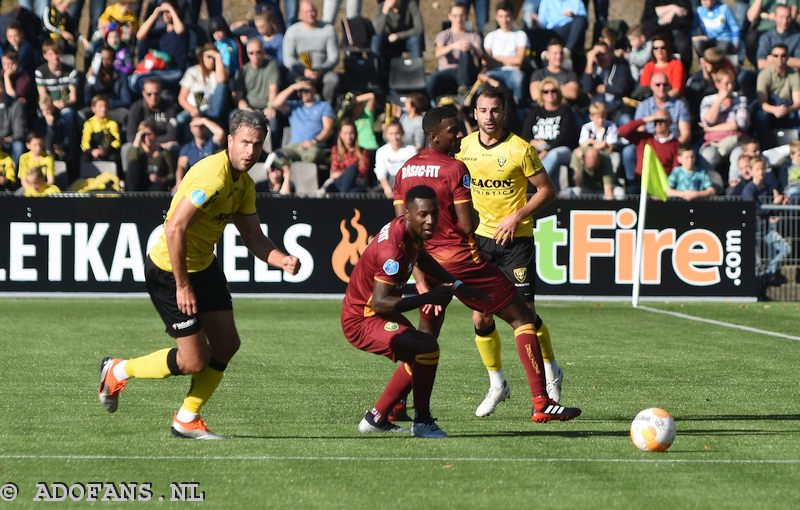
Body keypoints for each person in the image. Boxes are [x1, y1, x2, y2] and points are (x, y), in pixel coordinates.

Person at [98, 110, 301, 439]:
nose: (250, 151)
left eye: (257, 145)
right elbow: (175, 227)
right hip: (169, 269)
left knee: (227, 343)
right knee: (193, 360)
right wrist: (182, 285)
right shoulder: (213, 176)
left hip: (204, 266)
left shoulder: (244, 184)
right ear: (230, 141)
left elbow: (253, 237)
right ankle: (117, 370)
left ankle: (187, 418)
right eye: (245, 143)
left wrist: (281, 259)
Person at [393, 107, 582, 422]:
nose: (459, 134)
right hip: (462, 259)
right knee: (522, 317)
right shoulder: (455, 168)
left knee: (425, 338)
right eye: (453, 130)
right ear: (433, 135)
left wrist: (420, 277)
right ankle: (541, 402)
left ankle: (396, 404)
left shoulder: (405, 170)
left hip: (427, 263)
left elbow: (402, 228)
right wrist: (477, 218)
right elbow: (468, 225)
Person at [455, 86, 567, 413]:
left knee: (525, 315)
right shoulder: (464, 149)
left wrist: (516, 216)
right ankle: (497, 383)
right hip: (481, 241)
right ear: (474, 113)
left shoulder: (521, 150)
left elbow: (547, 190)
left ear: (503, 113)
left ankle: (551, 371)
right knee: (480, 316)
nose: (489, 117)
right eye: (483, 111)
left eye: (495, 110)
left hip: (516, 241)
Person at [342, 184, 482, 438]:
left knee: (420, 350)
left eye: (434, 213)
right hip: (362, 319)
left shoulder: (409, 231)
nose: (430, 221)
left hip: (376, 313)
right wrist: (428, 296)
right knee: (426, 347)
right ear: (407, 213)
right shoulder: (392, 252)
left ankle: (375, 419)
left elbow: (423, 258)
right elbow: (381, 303)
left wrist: (456, 284)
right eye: (423, 215)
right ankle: (423, 421)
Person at [742, 156, 792, 294]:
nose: (761, 172)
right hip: (751, 230)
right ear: (751, 171)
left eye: (763, 168)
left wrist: (783, 202)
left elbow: (773, 208)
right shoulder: (749, 189)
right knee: (756, 263)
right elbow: (755, 209)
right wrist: (773, 206)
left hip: (765, 229)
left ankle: (769, 274)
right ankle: (758, 291)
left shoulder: (769, 187)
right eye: (757, 169)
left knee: (786, 249)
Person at [521, 77, 580, 192]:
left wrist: (547, 150)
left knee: (554, 155)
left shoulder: (566, 111)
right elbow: (524, 136)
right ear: (541, 94)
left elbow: (565, 137)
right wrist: (533, 142)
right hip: (537, 149)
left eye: (554, 91)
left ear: (558, 93)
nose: (550, 94)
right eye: (546, 91)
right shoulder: (535, 112)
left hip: (561, 150)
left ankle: (537, 186)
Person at [283, 0, 340, 104]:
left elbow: (334, 57)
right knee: (290, 78)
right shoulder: (292, 31)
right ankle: (296, 109)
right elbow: (288, 59)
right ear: (300, 15)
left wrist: (321, 69)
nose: (311, 14)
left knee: (333, 79)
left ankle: (326, 107)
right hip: (300, 70)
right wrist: (304, 70)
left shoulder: (328, 29)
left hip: (323, 71)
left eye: (313, 11)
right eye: (307, 12)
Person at [231, 38, 281, 150]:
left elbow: (273, 89)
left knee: (274, 123)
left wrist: (270, 106)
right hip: (248, 109)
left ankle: (275, 153)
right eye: (251, 53)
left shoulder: (271, 66)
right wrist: (246, 108)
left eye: (258, 52)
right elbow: (238, 98)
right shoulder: (242, 71)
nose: (255, 56)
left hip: (265, 107)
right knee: (233, 117)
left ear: (263, 52)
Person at [427, 2, 483, 102]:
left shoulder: (473, 36)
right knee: (432, 80)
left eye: (461, 15)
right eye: (455, 15)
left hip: (468, 72)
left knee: (465, 51)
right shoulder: (444, 35)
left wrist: (471, 47)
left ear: (466, 16)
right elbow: (438, 53)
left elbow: (480, 54)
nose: (458, 19)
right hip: (447, 71)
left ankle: (463, 89)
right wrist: (453, 46)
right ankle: (434, 103)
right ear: (450, 16)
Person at [271, 78, 335, 165]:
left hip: (314, 146)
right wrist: (293, 87)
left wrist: (314, 141)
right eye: (300, 90)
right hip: (294, 147)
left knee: (312, 156)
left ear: (314, 89)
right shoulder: (294, 106)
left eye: (306, 90)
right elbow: (275, 104)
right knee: (275, 157)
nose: (303, 93)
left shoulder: (323, 106)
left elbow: (328, 129)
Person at [698, 67, 749, 173]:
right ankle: (709, 186)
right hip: (713, 143)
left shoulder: (741, 100)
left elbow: (739, 124)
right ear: (717, 84)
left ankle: (734, 185)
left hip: (735, 142)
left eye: (732, 83)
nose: (730, 87)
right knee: (708, 156)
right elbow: (708, 120)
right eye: (726, 84)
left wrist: (711, 129)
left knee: (739, 155)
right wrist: (719, 100)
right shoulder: (708, 100)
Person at [482, 3, 528, 104]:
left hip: (513, 73)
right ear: (496, 17)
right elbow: (487, 62)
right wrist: (510, 61)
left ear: (512, 16)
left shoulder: (520, 35)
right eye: (501, 16)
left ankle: (518, 107)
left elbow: (519, 60)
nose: (504, 20)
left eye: (507, 16)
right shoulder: (490, 36)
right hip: (493, 72)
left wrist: (496, 58)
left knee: (518, 79)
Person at [618, 110, 681, 183]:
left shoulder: (676, 144)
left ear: (669, 122)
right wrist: (648, 119)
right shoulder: (644, 138)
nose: (659, 123)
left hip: (661, 184)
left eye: (662, 120)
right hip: (640, 183)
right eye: (656, 121)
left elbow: (675, 170)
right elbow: (622, 131)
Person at [177, 44, 230, 127]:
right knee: (180, 119)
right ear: (202, 57)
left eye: (213, 58)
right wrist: (192, 110)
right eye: (208, 57)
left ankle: (212, 120)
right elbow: (181, 98)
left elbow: (221, 81)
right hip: (194, 109)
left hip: (210, 110)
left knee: (221, 87)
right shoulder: (192, 71)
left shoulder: (216, 73)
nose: (211, 60)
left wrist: (218, 56)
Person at [754, 42, 800, 136]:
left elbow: (798, 102)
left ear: (787, 57)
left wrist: (787, 109)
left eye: (783, 55)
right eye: (776, 55)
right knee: (760, 115)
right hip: (770, 107)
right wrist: (775, 110)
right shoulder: (763, 75)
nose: (779, 58)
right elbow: (762, 102)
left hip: (788, 106)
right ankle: (761, 141)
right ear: (771, 57)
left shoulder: (794, 75)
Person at [174, 116, 225, 190]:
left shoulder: (212, 143)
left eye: (202, 125)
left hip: (213, 182)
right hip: (194, 183)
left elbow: (220, 133)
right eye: (196, 125)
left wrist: (204, 120)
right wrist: (179, 182)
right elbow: (181, 166)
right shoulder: (187, 148)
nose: (199, 128)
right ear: (191, 128)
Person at [125, 120, 176, 191]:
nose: (147, 138)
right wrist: (138, 138)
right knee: (132, 167)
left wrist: (161, 179)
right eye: (143, 135)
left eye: (149, 134)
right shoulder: (136, 151)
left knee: (157, 188)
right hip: (137, 185)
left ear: (155, 134)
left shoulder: (164, 153)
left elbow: (172, 175)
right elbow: (131, 163)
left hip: (155, 186)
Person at [321, 119, 370, 193]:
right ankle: (344, 199)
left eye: (351, 133)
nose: (348, 136)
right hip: (338, 183)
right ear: (340, 134)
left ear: (355, 134)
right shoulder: (335, 150)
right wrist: (349, 173)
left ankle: (343, 199)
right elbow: (334, 172)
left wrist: (348, 174)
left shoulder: (362, 151)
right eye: (345, 133)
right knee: (352, 169)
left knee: (355, 191)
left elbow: (362, 172)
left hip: (356, 183)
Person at [371, 0, 424, 65]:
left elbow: (419, 29)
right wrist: (384, 12)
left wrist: (397, 36)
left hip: (406, 38)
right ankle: (375, 70)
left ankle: (416, 69)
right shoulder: (382, 6)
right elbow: (377, 31)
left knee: (415, 40)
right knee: (376, 39)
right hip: (388, 39)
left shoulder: (410, 4)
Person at [374, 120, 417, 198]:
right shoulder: (381, 151)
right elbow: (380, 173)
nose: (394, 137)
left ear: (402, 133)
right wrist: (387, 188)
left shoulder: (411, 150)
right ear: (386, 135)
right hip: (388, 183)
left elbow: (413, 172)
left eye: (397, 133)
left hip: (406, 183)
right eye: (391, 134)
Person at [530, 39, 581, 104]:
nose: (559, 56)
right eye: (555, 53)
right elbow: (535, 95)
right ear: (547, 55)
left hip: (564, 111)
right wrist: (563, 88)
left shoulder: (570, 74)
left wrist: (544, 88)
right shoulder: (538, 74)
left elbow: (573, 93)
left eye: (561, 53)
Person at [80, 95, 122, 170]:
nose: (103, 109)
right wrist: (92, 151)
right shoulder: (89, 123)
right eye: (100, 106)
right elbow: (85, 142)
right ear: (93, 109)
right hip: (93, 150)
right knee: (84, 157)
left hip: (108, 151)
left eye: (105, 106)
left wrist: (106, 150)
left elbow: (117, 141)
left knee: (114, 156)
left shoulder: (113, 124)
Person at [639, 33, 686, 98]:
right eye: (656, 48)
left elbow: (676, 90)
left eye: (662, 48)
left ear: (667, 49)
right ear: (652, 51)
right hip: (651, 101)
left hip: (673, 100)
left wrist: (662, 99)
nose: (659, 51)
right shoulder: (648, 66)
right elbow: (644, 88)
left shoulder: (676, 64)